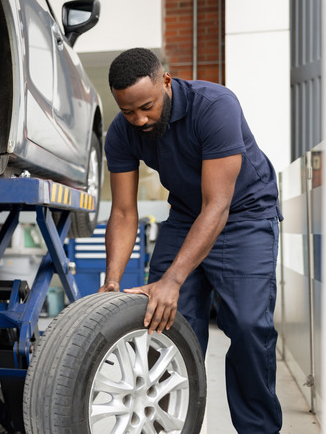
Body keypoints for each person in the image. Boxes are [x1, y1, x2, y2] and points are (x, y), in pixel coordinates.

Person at [99, 48, 283, 433]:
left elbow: (218, 206)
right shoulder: (122, 132)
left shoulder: (215, 106)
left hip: (244, 214)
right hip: (186, 215)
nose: (140, 119)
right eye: (129, 111)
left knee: (249, 327)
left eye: (146, 107)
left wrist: (172, 280)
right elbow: (123, 212)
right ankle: (169, 427)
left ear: (165, 81)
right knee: (161, 325)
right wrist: (112, 282)